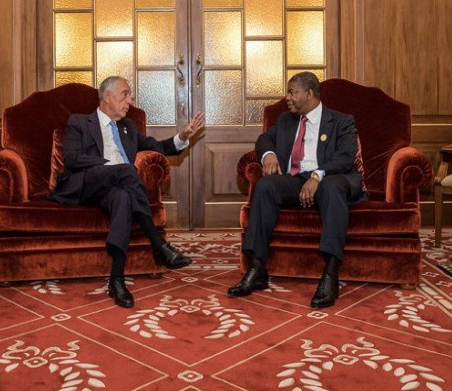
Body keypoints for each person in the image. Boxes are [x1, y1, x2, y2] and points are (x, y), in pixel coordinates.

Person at [49, 76, 205, 308]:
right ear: (107, 96)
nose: (130, 100)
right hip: (87, 183)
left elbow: (157, 147)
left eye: (129, 95)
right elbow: (72, 158)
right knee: (126, 170)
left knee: (123, 198)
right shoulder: (80, 122)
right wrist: (110, 167)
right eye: (125, 94)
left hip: (117, 188)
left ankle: (117, 280)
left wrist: (183, 136)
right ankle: (158, 243)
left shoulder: (127, 127)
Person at [228, 72, 366, 308]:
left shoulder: (341, 121)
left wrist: (317, 175)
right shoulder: (287, 120)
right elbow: (263, 139)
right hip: (295, 178)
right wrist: (268, 154)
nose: (288, 97)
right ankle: (257, 268)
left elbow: (345, 158)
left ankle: (330, 274)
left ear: (309, 94)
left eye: (292, 92)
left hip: (331, 177)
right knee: (266, 186)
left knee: (332, 188)